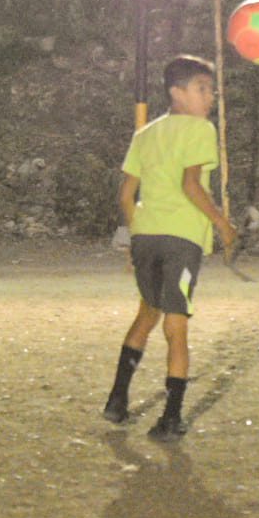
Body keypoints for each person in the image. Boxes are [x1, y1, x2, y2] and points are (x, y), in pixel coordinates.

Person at [103, 55, 238, 441]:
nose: (209, 97)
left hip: (146, 235)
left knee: (148, 314)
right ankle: (171, 419)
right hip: (181, 238)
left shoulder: (144, 134)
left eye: (211, 90)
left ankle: (116, 400)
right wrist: (222, 223)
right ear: (176, 93)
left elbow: (126, 195)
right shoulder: (200, 129)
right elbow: (191, 185)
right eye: (201, 89)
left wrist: (134, 237)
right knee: (176, 327)